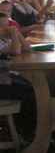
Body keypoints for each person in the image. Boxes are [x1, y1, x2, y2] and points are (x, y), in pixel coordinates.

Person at [0, 12, 36, 140]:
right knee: (32, 92)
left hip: (5, 78)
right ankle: (25, 132)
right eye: (2, 26)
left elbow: (27, 49)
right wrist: (14, 34)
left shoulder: (4, 40)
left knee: (34, 84)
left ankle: (23, 128)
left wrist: (16, 32)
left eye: (6, 25)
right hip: (2, 83)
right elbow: (16, 51)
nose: (5, 29)